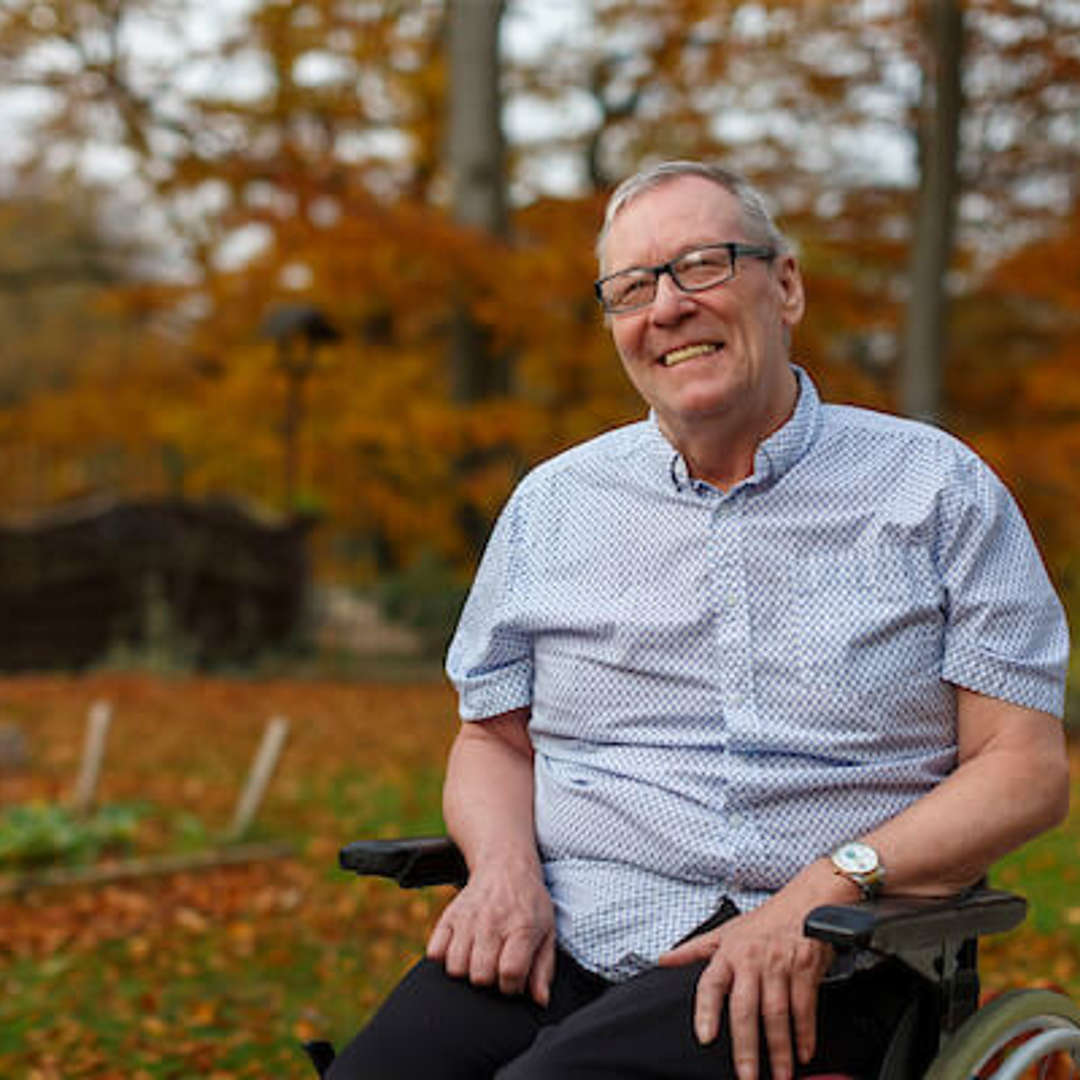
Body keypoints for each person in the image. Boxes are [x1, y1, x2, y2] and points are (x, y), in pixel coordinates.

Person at [328, 161, 1070, 1080]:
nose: (668, 307)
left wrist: (828, 885)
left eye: (702, 265)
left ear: (786, 285)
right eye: (632, 288)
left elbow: (1025, 769)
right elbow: (493, 739)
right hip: (569, 926)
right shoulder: (552, 505)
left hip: (832, 952)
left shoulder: (937, 490)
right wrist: (503, 872)